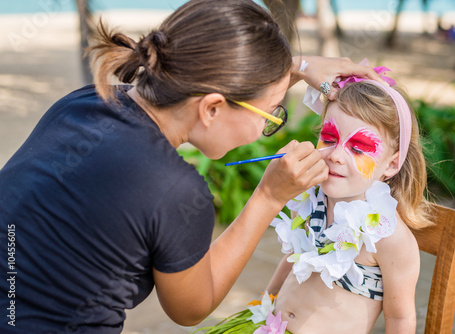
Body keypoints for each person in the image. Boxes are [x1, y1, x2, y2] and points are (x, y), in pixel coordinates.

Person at [0, 1, 388, 333]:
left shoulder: (85, 102)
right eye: (270, 115)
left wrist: (299, 66)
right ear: (212, 108)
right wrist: (268, 196)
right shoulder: (174, 190)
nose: (266, 128)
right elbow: (190, 308)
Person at [196, 64, 433, 334]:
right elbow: (292, 260)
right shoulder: (313, 203)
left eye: (358, 148)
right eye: (329, 138)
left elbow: (400, 319)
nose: (335, 155)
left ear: (390, 165)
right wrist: (263, 307)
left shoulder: (389, 237)